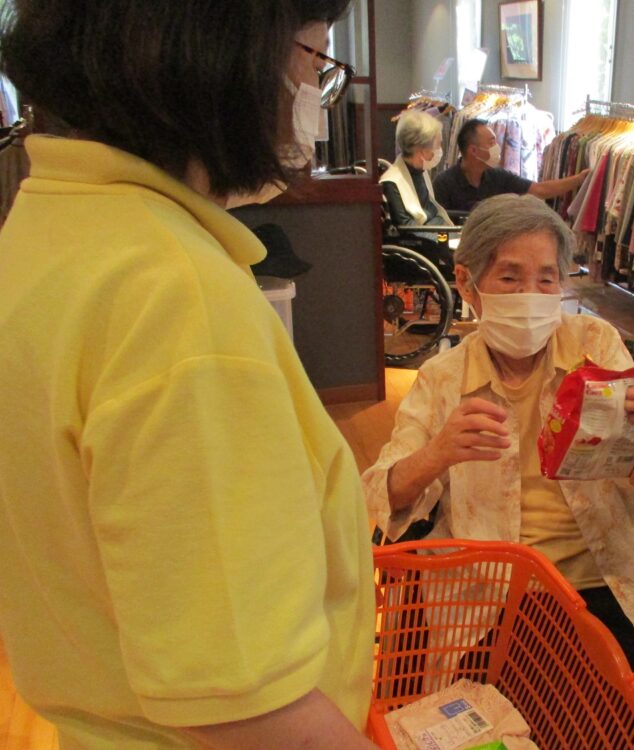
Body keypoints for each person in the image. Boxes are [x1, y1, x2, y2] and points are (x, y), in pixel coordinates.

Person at [0, 3, 377, 749]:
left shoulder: (49, 222)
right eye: (312, 60)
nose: (312, 92)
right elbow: (254, 712)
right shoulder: (177, 296)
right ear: (228, 54)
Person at [362, 194, 634, 729]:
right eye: (510, 279)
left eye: (546, 279)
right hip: (486, 597)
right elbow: (379, 494)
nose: (531, 296)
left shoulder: (593, 343)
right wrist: (437, 453)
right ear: (468, 285)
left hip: (597, 582)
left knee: (610, 722)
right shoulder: (444, 379)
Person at [433, 119, 590, 212]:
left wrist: (578, 179)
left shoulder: (498, 177)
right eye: (491, 142)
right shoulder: (444, 183)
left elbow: (540, 190)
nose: (497, 146)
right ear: (474, 150)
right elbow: (440, 227)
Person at [380, 110, 453, 227]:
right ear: (421, 152)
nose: (440, 151)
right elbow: (407, 229)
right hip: (422, 240)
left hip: (437, 231)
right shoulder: (391, 182)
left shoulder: (420, 171)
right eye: (438, 145)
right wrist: (444, 237)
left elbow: (433, 212)